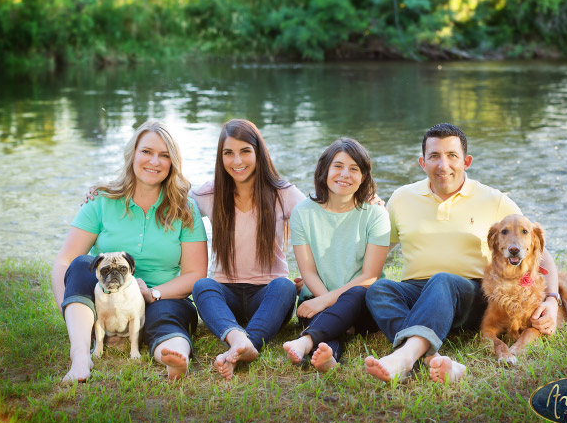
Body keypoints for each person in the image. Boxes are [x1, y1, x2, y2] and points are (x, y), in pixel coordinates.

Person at [364, 123, 560, 383]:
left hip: (469, 292)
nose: (443, 165)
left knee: (442, 279)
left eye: (452, 156)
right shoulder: (401, 198)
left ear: (466, 161)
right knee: (379, 290)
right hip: (417, 289)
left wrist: (552, 300)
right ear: (422, 162)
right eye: (434, 156)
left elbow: (537, 249)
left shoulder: (494, 200)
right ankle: (431, 357)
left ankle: (405, 357)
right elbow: (377, 253)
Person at [51, 120, 208, 383]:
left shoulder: (185, 209)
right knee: (80, 264)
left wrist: (152, 293)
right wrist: (68, 308)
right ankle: (80, 356)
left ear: (172, 163)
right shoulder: (101, 202)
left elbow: (195, 274)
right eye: (146, 151)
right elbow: (64, 262)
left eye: (164, 155)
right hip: (106, 301)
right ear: (132, 154)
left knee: (166, 317)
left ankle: (174, 358)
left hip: (162, 297)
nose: (154, 161)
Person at [191, 119, 304, 380]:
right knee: (201, 286)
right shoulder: (209, 193)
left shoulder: (282, 193)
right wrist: (107, 193)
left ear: (258, 153)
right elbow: (167, 199)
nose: (236, 160)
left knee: (284, 286)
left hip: (267, 295)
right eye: (228, 153)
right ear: (220, 157)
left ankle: (243, 345)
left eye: (245, 151)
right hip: (224, 293)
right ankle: (241, 341)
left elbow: (321, 214)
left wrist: (366, 198)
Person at [282, 138, 390, 372]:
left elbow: (369, 276)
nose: (345, 174)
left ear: (363, 177)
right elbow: (308, 271)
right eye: (338, 166)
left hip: (362, 306)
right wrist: (323, 302)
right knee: (328, 323)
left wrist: (326, 303)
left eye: (354, 169)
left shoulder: (375, 214)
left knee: (356, 293)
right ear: (325, 170)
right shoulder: (303, 212)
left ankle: (304, 341)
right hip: (316, 300)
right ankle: (329, 360)